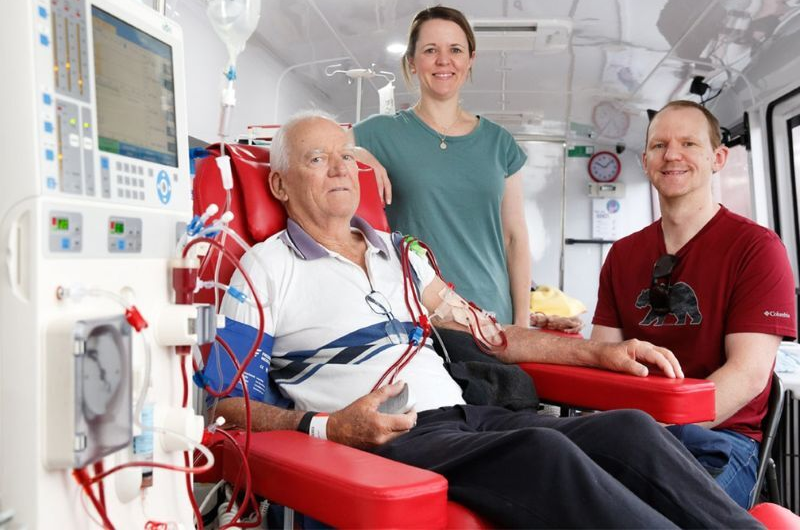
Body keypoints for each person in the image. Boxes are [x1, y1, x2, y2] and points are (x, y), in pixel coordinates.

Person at [215, 111, 760, 528]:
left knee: (629, 429)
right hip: (392, 434)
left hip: (464, 416)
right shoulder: (264, 272)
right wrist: (326, 426)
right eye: (316, 159)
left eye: (344, 155)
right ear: (281, 185)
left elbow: (490, 335)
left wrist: (600, 352)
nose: (339, 169)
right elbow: (224, 404)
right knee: (545, 450)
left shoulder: (405, 256)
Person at [592, 100, 797, 508]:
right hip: (632, 435)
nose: (672, 155)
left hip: (718, 440)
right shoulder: (623, 256)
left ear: (718, 158)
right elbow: (603, 360)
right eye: (659, 145)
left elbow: (749, 374)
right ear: (645, 160)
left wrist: (658, 426)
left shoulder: (757, 249)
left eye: (688, 143)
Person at [352, 5, 532, 327]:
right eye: (430, 50)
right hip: (416, 315)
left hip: (489, 315)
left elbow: (514, 238)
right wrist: (351, 151)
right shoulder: (378, 133)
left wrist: (522, 324)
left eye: (455, 50)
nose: (443, 60)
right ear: (412, 61)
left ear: (470, 59)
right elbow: (308, 149)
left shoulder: (499, 143)